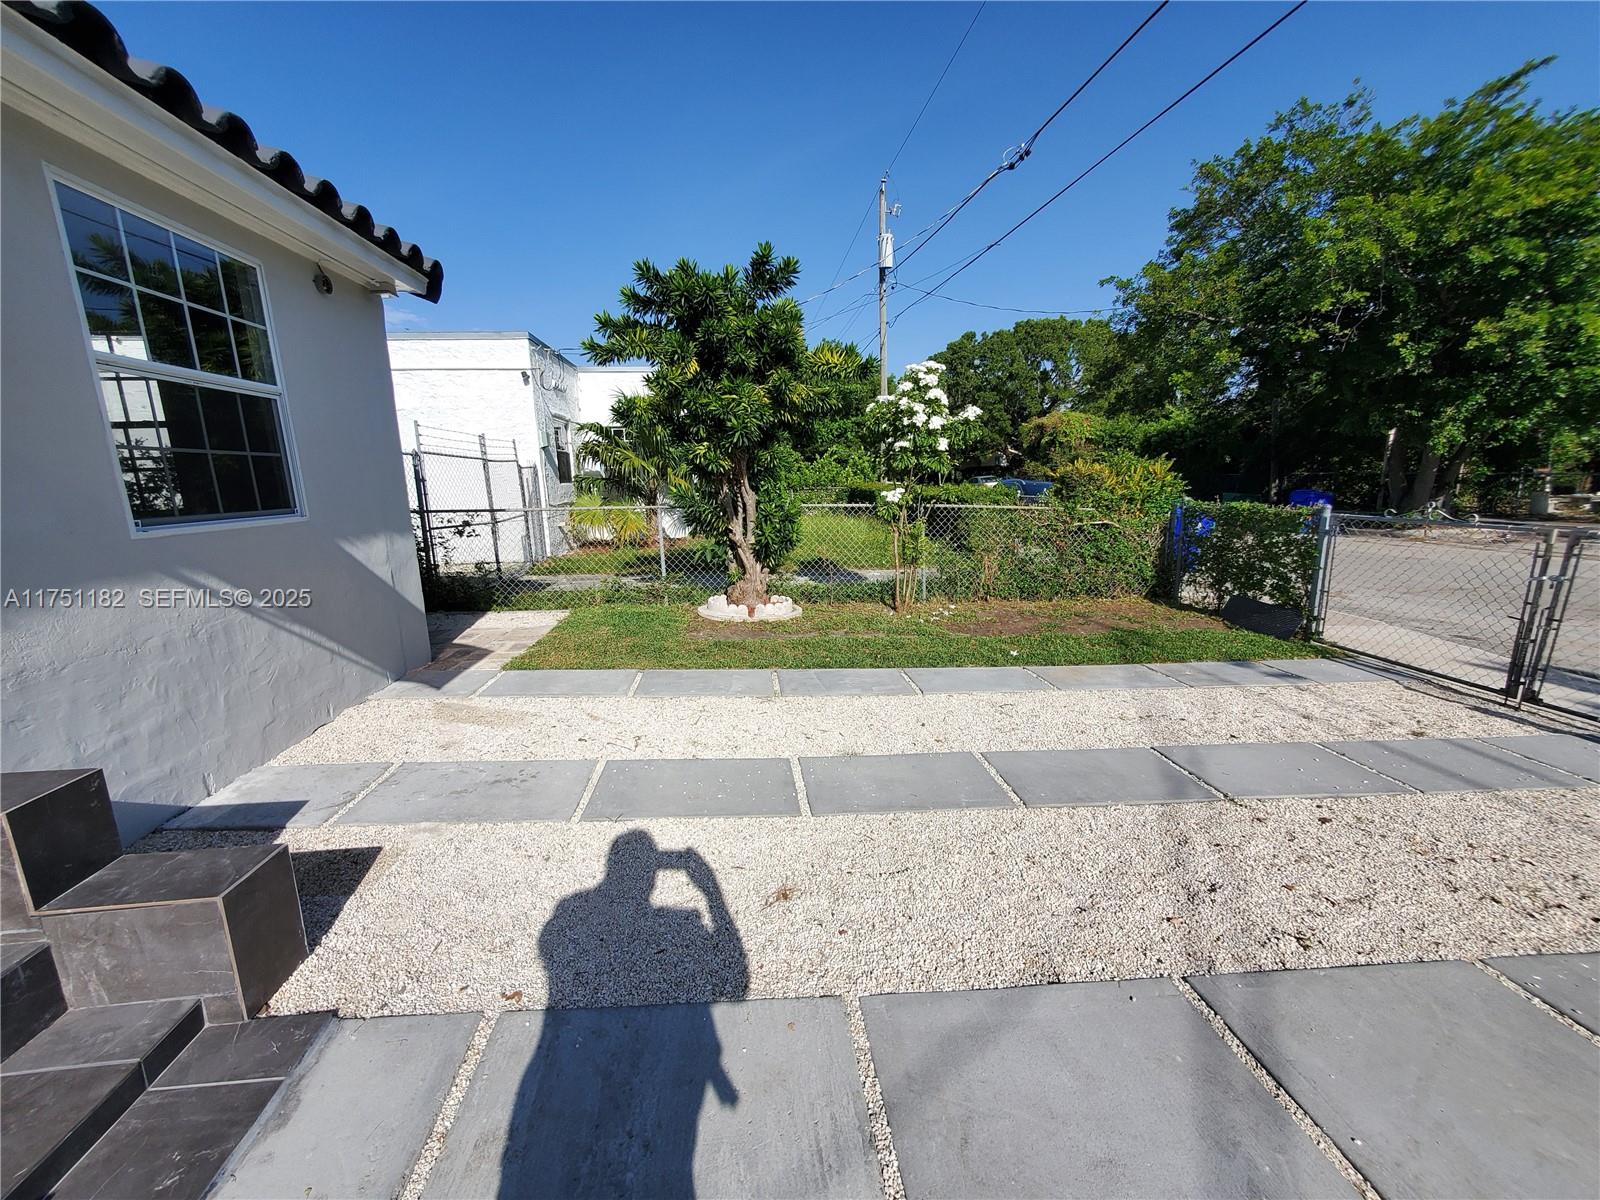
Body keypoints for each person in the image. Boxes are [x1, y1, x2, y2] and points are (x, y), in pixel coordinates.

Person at [496, 830, 749, 1199]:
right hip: (666, 1075)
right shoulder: (681, 923)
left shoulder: (570, 912)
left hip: (562, 1067)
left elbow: (552, 953)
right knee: (666, 1168)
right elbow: (735, 986)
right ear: (651, 873)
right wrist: (712, 894)